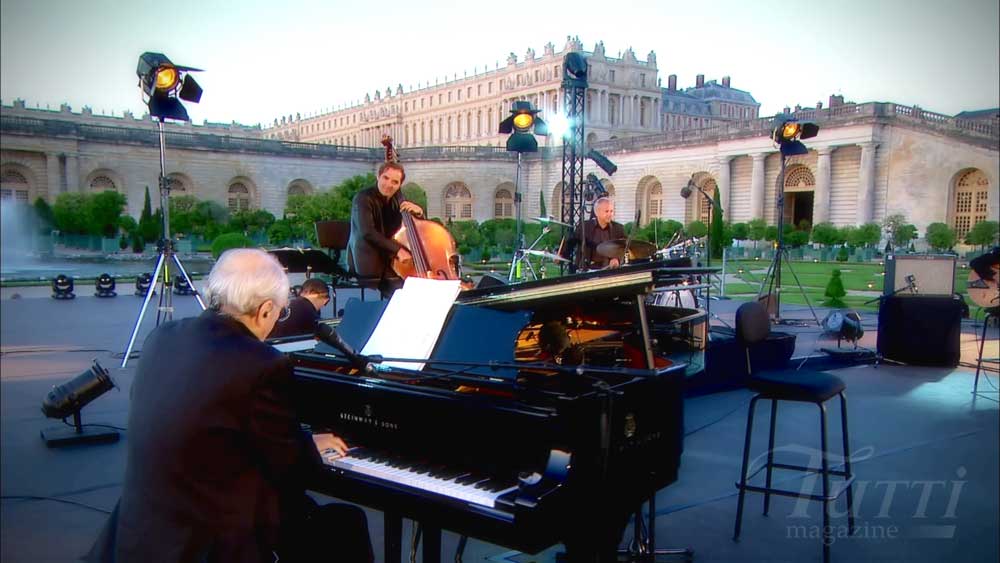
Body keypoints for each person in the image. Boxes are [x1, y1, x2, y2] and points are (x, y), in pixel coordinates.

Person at [85, 248, 372, 563]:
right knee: (345, 523)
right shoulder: (262, 365)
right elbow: (290, 471)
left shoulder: (162, 338)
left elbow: (217, 428)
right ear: (264, 310)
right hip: (210, 545)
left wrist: (299, 442)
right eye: (280, 311)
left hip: (141, 534)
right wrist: (310, 447)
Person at [348, 161, 424, 297]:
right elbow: (368, 232)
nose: (389, 184)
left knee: (413, 290)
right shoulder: (363, 198)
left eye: (395, 182)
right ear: (378, 176)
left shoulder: (398, 201)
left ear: (400, 185)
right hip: (368, 259)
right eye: (385, 178)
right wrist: (398, 250)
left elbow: (417, 231)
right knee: (401, 292)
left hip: (390, 259)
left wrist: (419, 213)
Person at [560, 197, 627, 270]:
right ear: (597, 212)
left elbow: (625, 249)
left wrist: (617, 259)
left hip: (609, 271)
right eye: (606, 211)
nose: (610, 214)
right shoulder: (584, 227)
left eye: (611, 211)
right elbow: (571, 243)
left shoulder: (618, 228)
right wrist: (561, 255)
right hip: (587, 269)